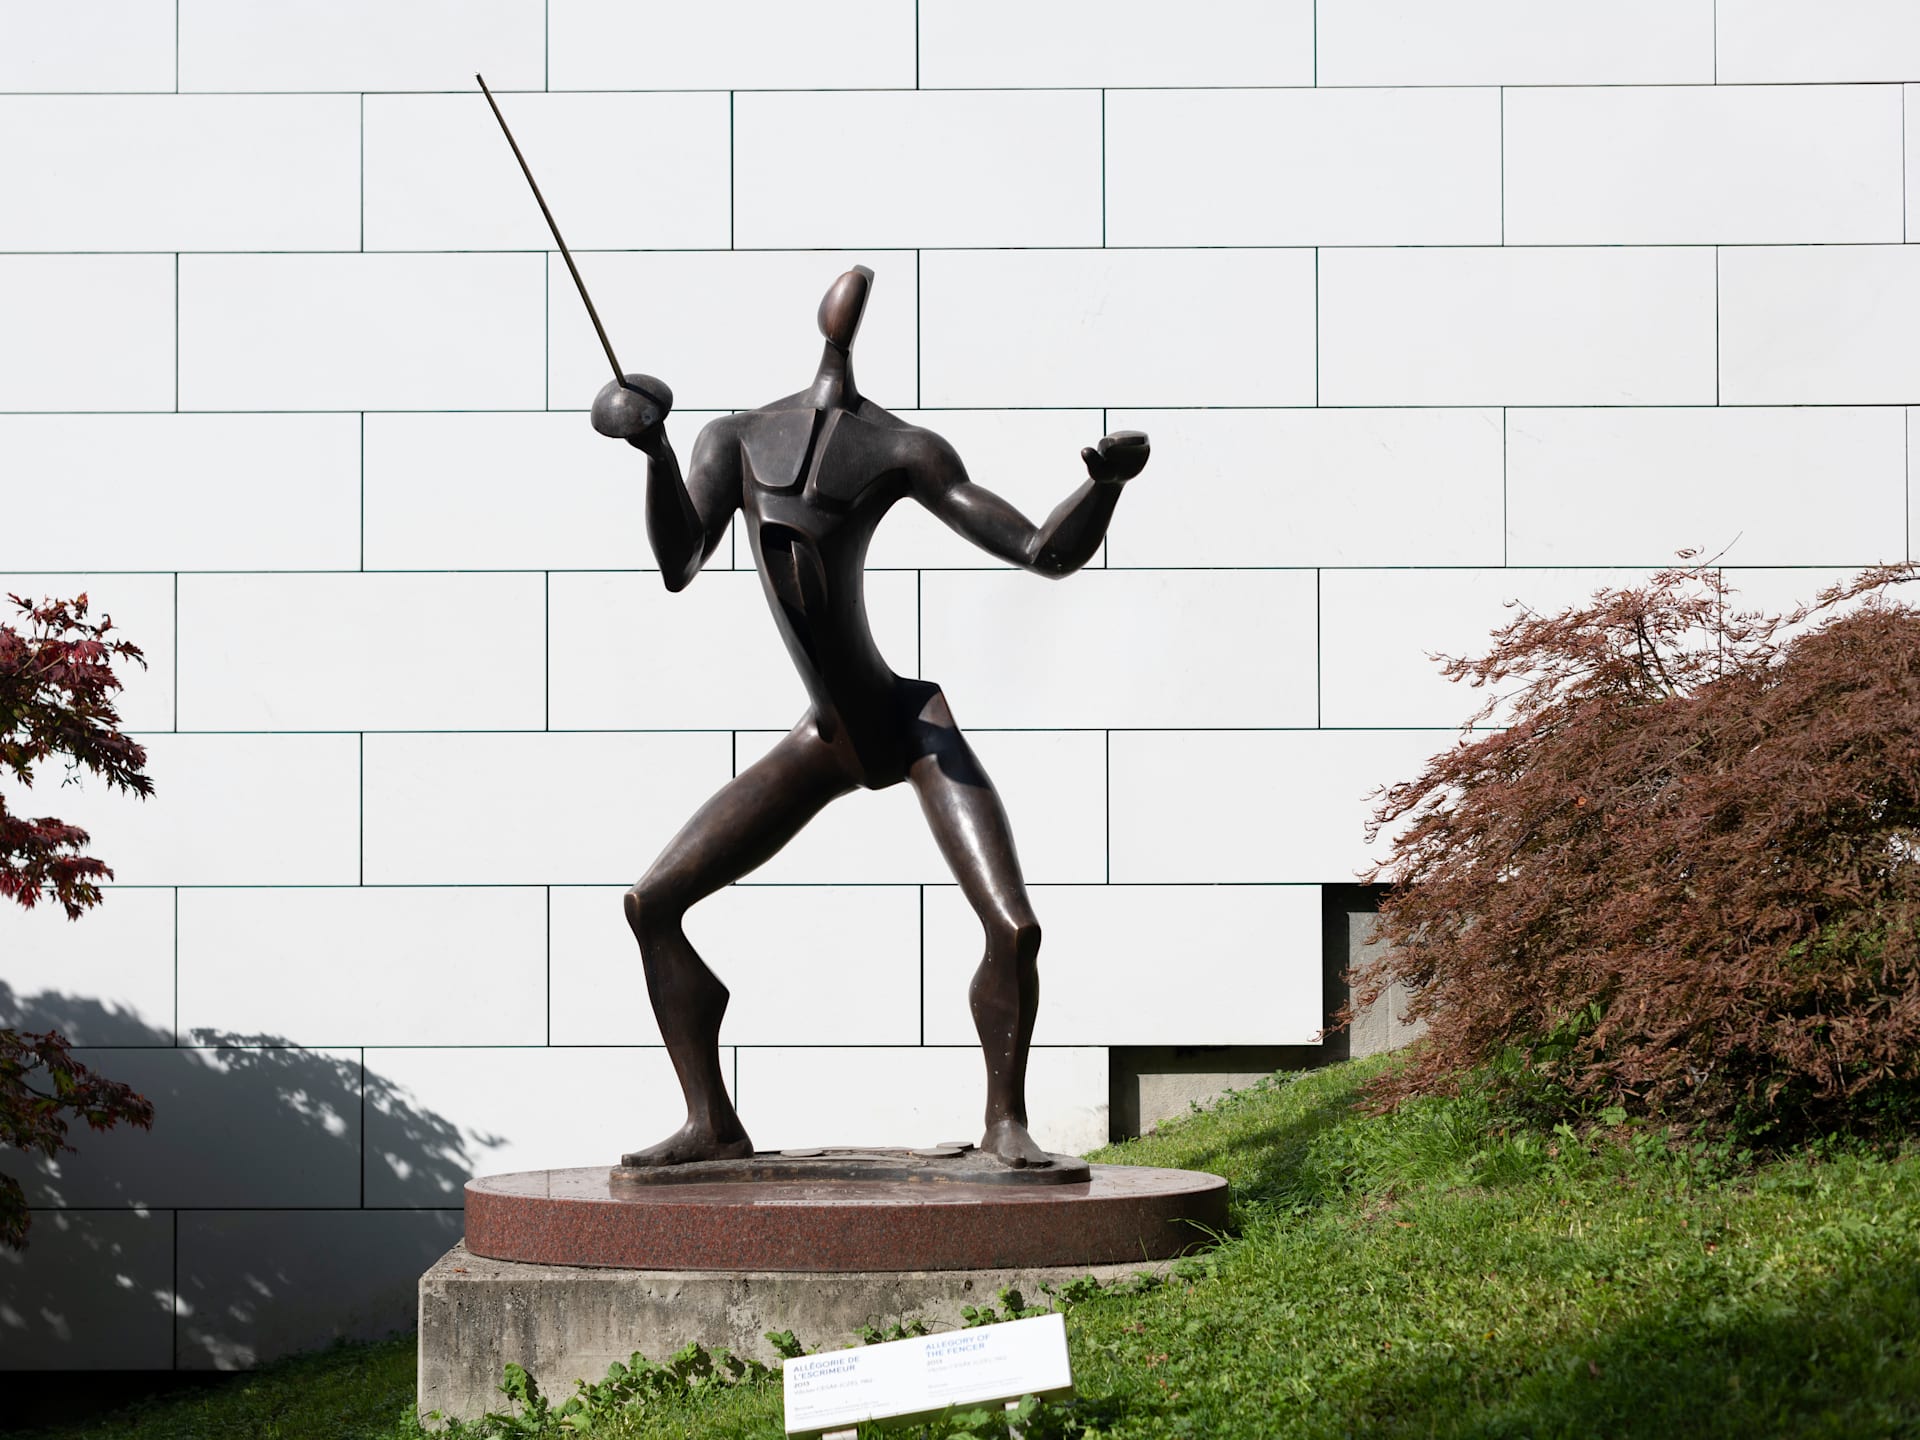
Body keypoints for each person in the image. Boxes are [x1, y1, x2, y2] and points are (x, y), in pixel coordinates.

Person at [590, 265, 1149, 1168]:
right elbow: (679, 558)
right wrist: (653, 450)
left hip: (909, 725)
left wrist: (1104, 489)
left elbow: (1042, 552)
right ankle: (711, 1123)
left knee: (1014, 927)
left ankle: (1006, 1120)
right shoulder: (730, 440)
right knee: (652, 904)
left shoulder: (900, 450)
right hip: (827, 737)